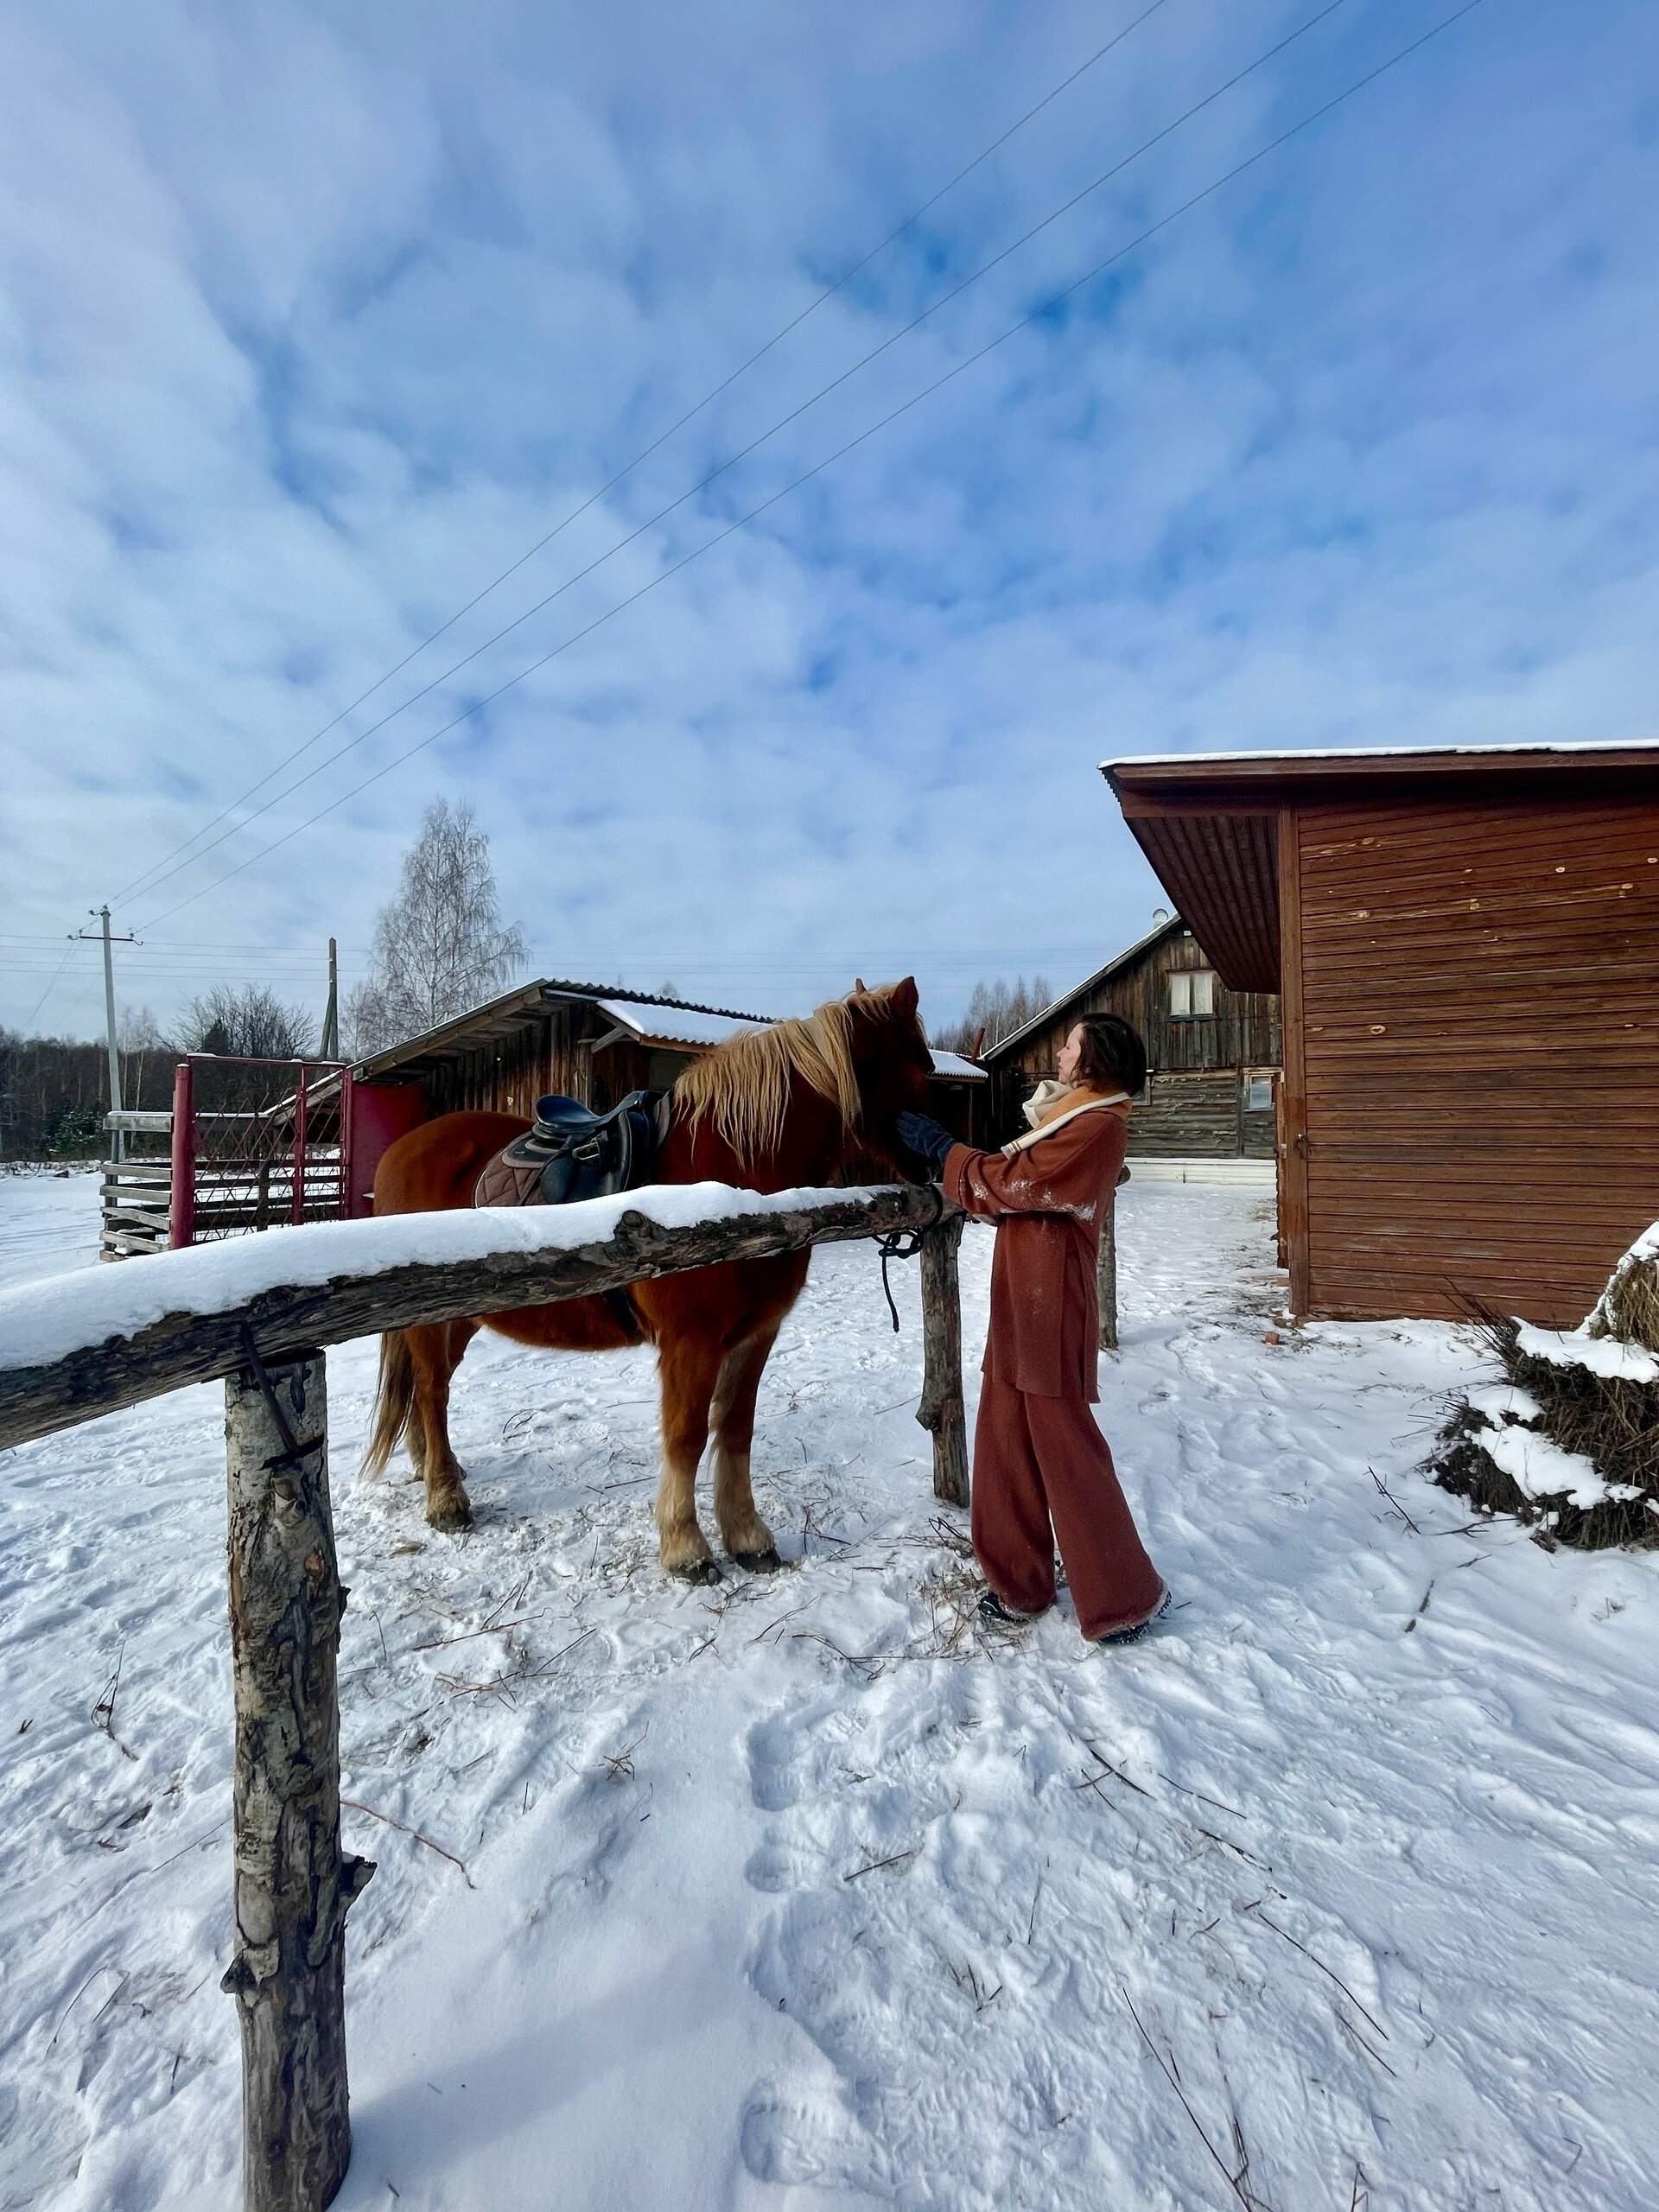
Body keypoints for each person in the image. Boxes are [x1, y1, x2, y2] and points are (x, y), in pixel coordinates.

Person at [898, 1014, 1168, 1646]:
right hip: (1023, 1298)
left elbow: (1016, 1184)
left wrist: (945, 1151)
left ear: (1094, 1058)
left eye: (1071, 1043)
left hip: (1051, 1305)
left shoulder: (1097, 1126)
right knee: (1005, 1436)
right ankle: (1021, 1584)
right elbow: (1017, 1188)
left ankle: (1123, 1594)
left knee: (1064, 1445)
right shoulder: (1067, 1119)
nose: (1061, 1051)